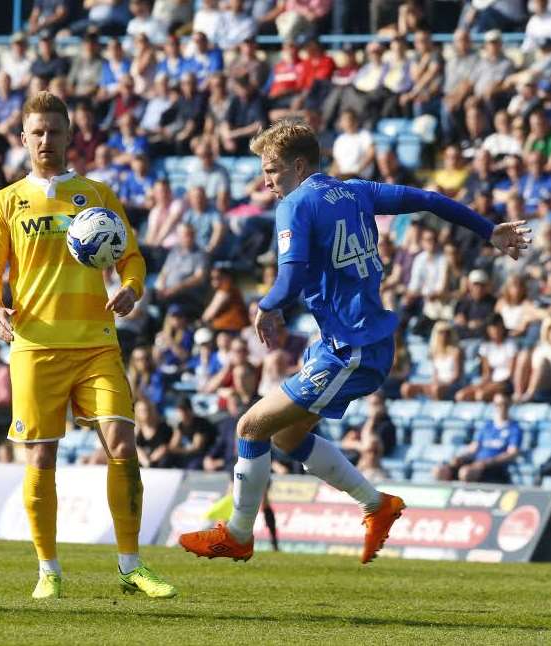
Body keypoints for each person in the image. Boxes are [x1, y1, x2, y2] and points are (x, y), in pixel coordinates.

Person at [179, 119, 531, 565]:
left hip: (350, 347)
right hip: (358, 341)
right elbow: (428, 199)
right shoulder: (356, 190)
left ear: (299, 165)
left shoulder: (297, 204)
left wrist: (266, 305)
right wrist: (487, 229)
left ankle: (238, 534)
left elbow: (291, 277)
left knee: (250, 427)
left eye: (271, 169)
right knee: (287, 436)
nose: (265, 180)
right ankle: (376, 504)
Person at [0, 91, 175, 600]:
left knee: (123, 445)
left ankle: (131, 565)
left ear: (70, 136)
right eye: (37, 132)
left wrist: (131, 288)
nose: (46, 140)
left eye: (55, 131)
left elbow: (132, 257)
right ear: (23, 139)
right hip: (35, 347)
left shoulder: (97, 194)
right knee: (40, 460)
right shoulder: (6, 202)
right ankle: (48, 569)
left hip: (95, 344)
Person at [434, 392, 521, 484]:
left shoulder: (514, 428)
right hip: (476, 462)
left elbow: (512, 453)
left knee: (466, 472)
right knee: (440, 471)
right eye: (497, 405)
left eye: (504, 404)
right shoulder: (487, 426)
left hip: (493, 467)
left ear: (509, 405)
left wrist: (487, 462)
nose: (500, 408)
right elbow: (474, 447)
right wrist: (460, 458)